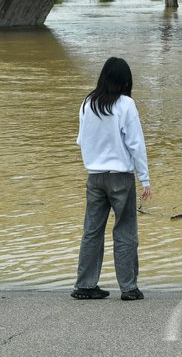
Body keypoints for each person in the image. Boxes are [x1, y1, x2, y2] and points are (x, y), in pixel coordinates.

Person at [73, 57, 153, 301]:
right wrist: (145, 179)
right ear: (125, 80)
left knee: (92, 231)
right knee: (125, 231)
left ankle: (85, 285)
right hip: (120, 177)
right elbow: (135, 144)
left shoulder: (88, 103)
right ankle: (128, 288)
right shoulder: (126, 104)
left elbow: (81, 140)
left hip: (94, 177)